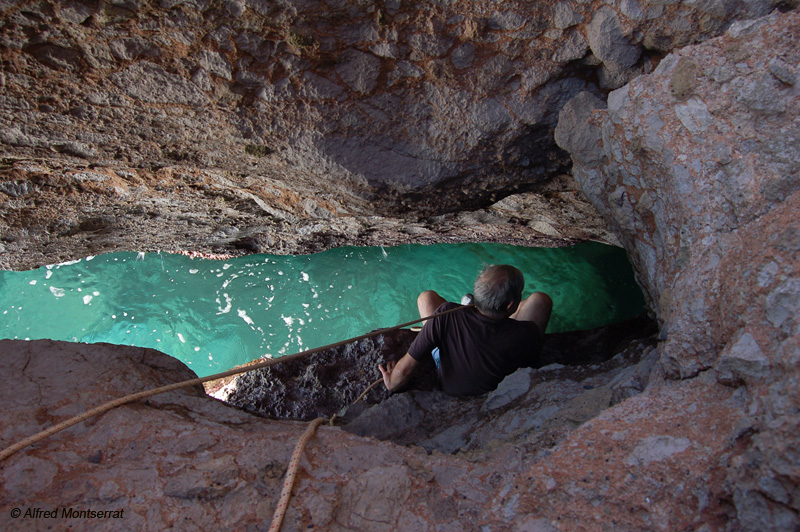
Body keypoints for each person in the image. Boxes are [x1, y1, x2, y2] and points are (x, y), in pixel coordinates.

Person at [378, 264, 552, 397]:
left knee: (426, 298)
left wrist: (391, 383)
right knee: (540, 300)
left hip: (450, 385)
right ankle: (495, 313)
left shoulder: (446, 314)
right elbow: (530, 362)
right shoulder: (525, 333)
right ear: (510, 306)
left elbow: (404, 371)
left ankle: (474, 309)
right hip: (497, 389)